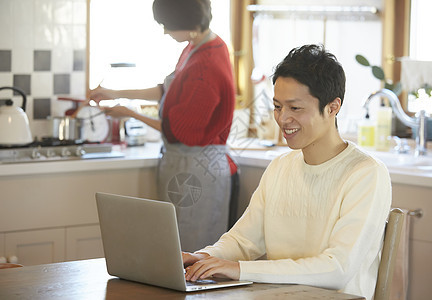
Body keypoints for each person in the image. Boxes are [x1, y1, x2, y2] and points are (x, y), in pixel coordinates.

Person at [182, 44, 392, 300]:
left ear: (332, 107)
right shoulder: (281, 166)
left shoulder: (366, 174)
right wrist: (204, 257)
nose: (282, 119)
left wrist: (238, 270)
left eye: (295, 108)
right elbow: (242, 241)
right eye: (278, 106)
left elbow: (337, 269)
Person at [89, 0, 237, 252]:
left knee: (193, 254)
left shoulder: (206, 64)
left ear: (188, 24)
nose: (165, 32)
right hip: (185, 165)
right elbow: (165, 90)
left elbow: (180, 131)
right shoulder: (198, 46)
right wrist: (112, 92)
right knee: (175, 247)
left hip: (197, 170)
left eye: (167, 26)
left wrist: (129, 113)